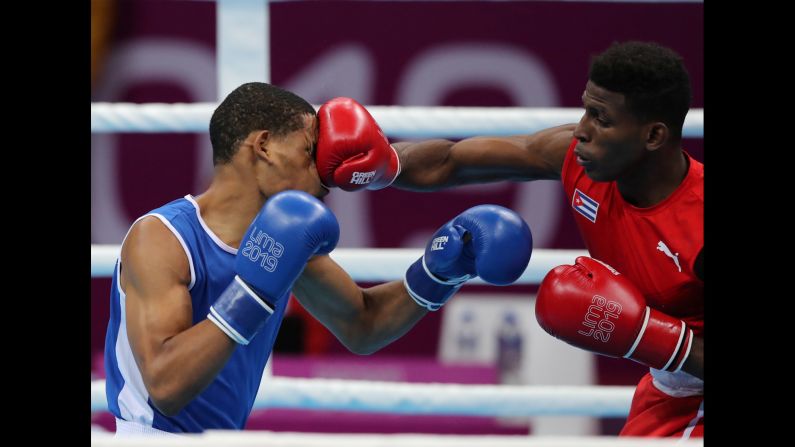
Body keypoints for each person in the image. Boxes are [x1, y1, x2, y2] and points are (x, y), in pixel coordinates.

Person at [315, 41, 703, 438]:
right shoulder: (576, 158)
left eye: (602, 119)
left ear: (654, 135)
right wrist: (386, 166)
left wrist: (648, 336)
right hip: (669, 392)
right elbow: (454, 162)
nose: (582, 131)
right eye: (586, 109)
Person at [103, 82, 533, 436]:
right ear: (265, 146)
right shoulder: (161, 237)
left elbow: (363, 324)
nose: (329, 174)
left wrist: (438, 272)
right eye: (312, 151)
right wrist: (253, 291)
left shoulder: (286, 242)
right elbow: (166, 384)